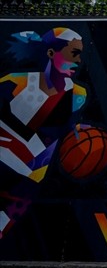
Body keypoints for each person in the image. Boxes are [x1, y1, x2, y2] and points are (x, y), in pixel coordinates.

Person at [0, 28, 87, 237]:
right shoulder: (15, 83)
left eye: (80, 54)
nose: (79, 60)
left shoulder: (77, 95)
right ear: (51, 53)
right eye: (74, 53)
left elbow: (62, 140)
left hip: (27, 179)